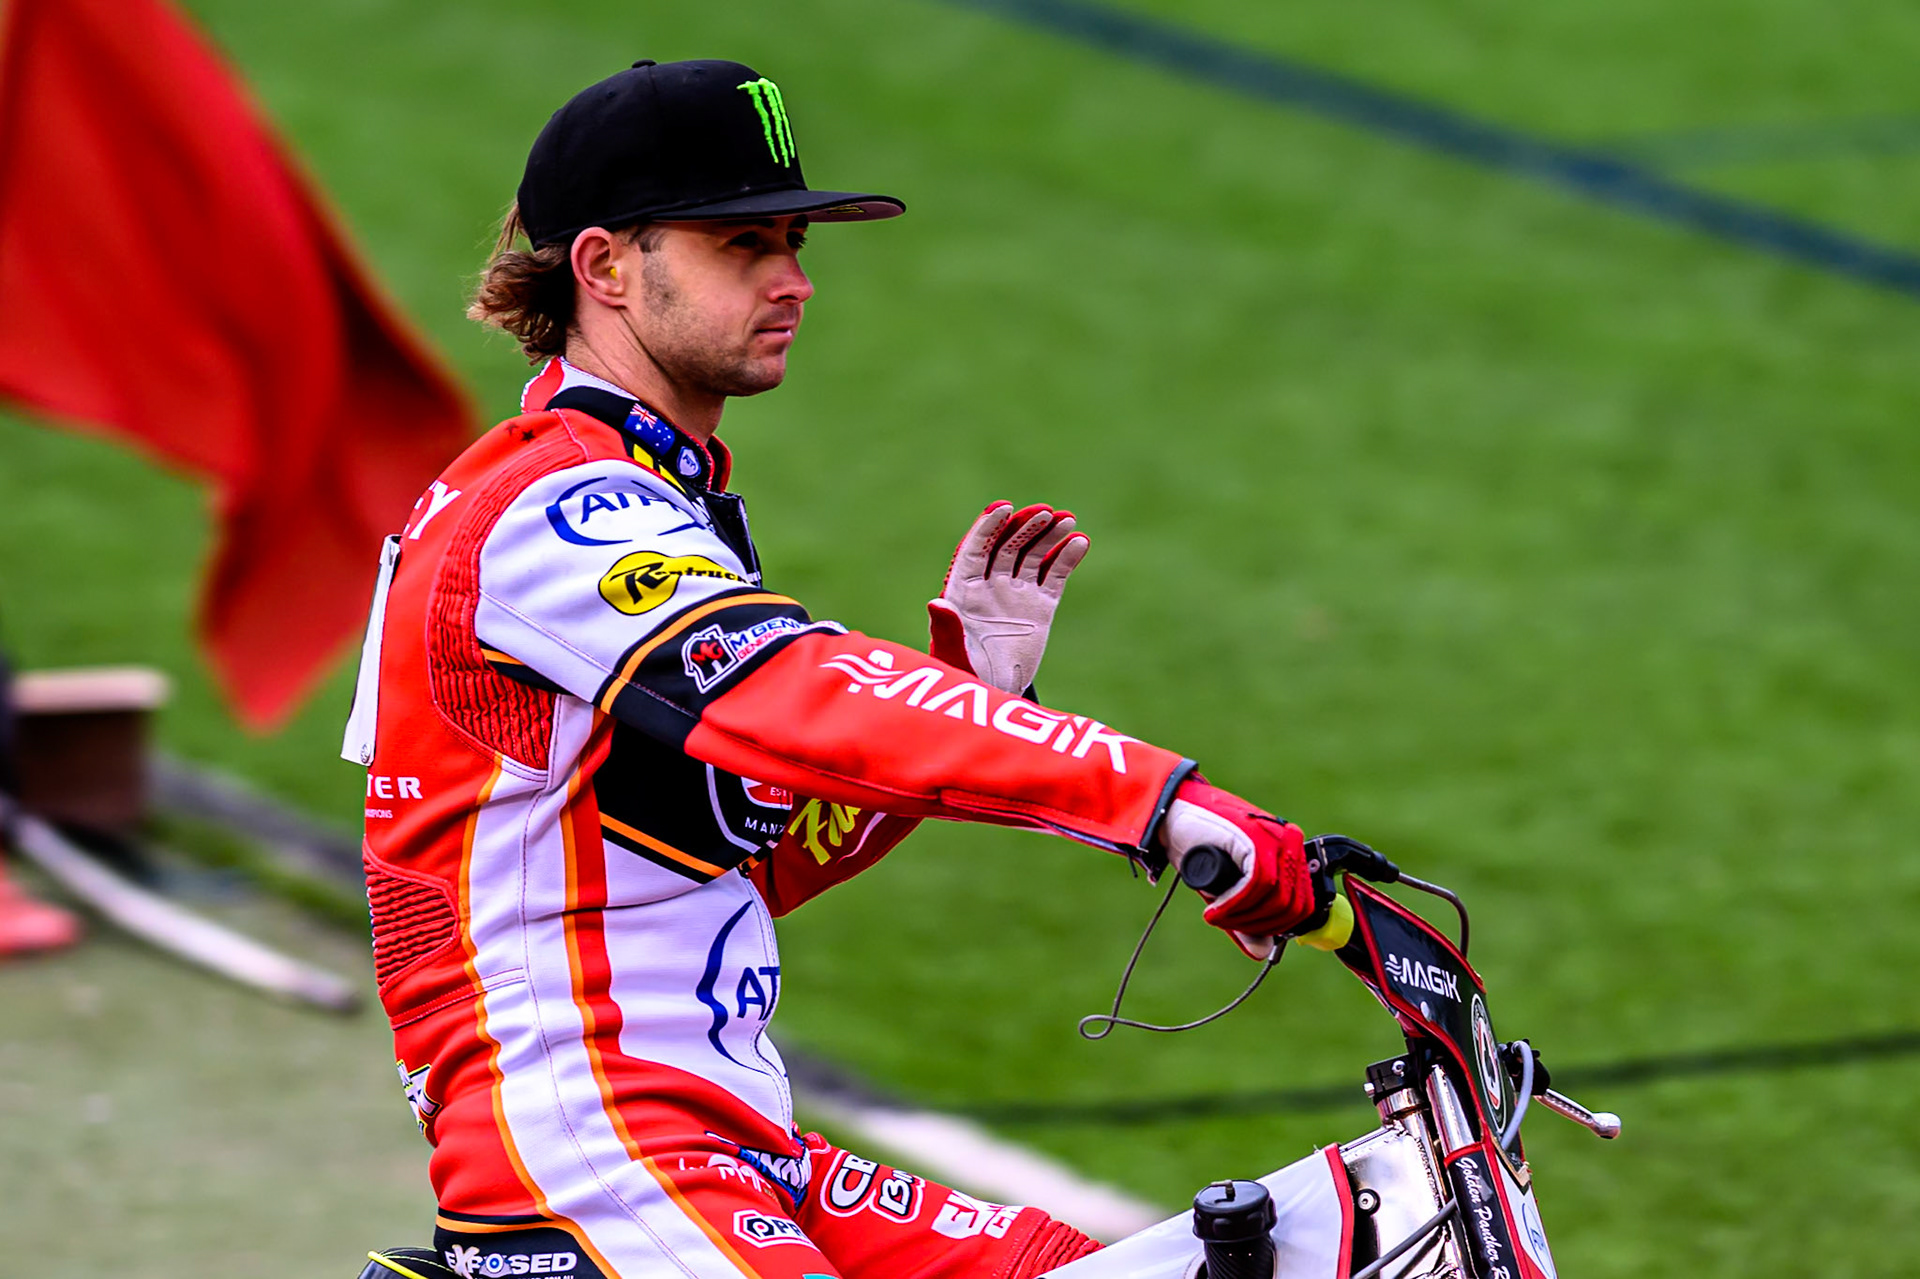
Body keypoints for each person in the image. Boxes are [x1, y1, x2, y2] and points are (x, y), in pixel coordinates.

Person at [349, 60, 1326, 1279]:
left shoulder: (655, 498)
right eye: (741, 245)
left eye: (795, 243)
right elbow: (799, 691)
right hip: (593, 1145)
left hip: (727, 1140)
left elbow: (750, 868)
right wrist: (1162, 802)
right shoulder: (553, 506)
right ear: (603, 268)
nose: (794, 281)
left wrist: (975, 688)